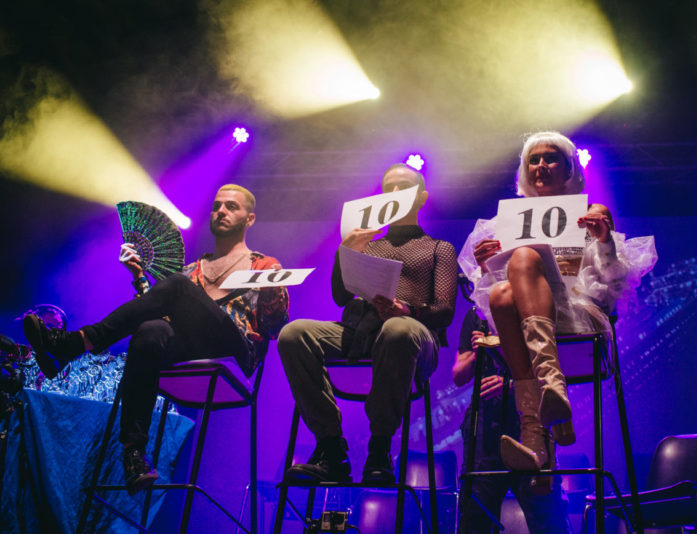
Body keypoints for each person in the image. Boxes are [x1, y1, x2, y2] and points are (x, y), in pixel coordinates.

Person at [23, 184, 289, 494]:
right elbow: (160, 317)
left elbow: (276, 326)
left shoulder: (264, 266)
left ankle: (72, 344)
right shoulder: (192, 271)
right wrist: (138, 276)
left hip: (234, 356)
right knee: (151, 330)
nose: (221, 211)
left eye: (232, 207)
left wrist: (273, 294)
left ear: (250, 219)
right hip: (191, 352)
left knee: (175, 286)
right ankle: (134, 454)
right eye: (217, 205)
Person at [458, 132, 656, 487]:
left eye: (550, 158)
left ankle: (546, 392)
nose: (541, 166)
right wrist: (486, 267)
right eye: (533, 160)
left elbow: (614, 286)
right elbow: (489, 299)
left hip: (579, 320)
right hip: (522, 321)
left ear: (569, 168)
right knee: (502, 293)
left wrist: (604, 242)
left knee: (524, 255)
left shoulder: (589, 217)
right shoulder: (503, 223)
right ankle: (538, 423)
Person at [278, 163, 458, 483]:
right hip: (360, 333)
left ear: (421, 198)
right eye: (388, 187)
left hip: (414, 335)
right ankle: (332, 449)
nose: (394, 193)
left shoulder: (438, 248)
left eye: (403, 187)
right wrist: (343, 253)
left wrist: (407, 310)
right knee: (294, 333)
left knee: (397, 329)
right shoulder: (368, 243)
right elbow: (340, 297)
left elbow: (445, 310)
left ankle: (379, 447)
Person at [453, 305, 571, 532]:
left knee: (545, 513)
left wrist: (510, 386)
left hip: (529, 424)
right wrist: (480, 353)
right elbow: (459, 375)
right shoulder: (476, 314)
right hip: (485, 428)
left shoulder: (532, 308)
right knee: (476, 516)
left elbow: (556, 367)